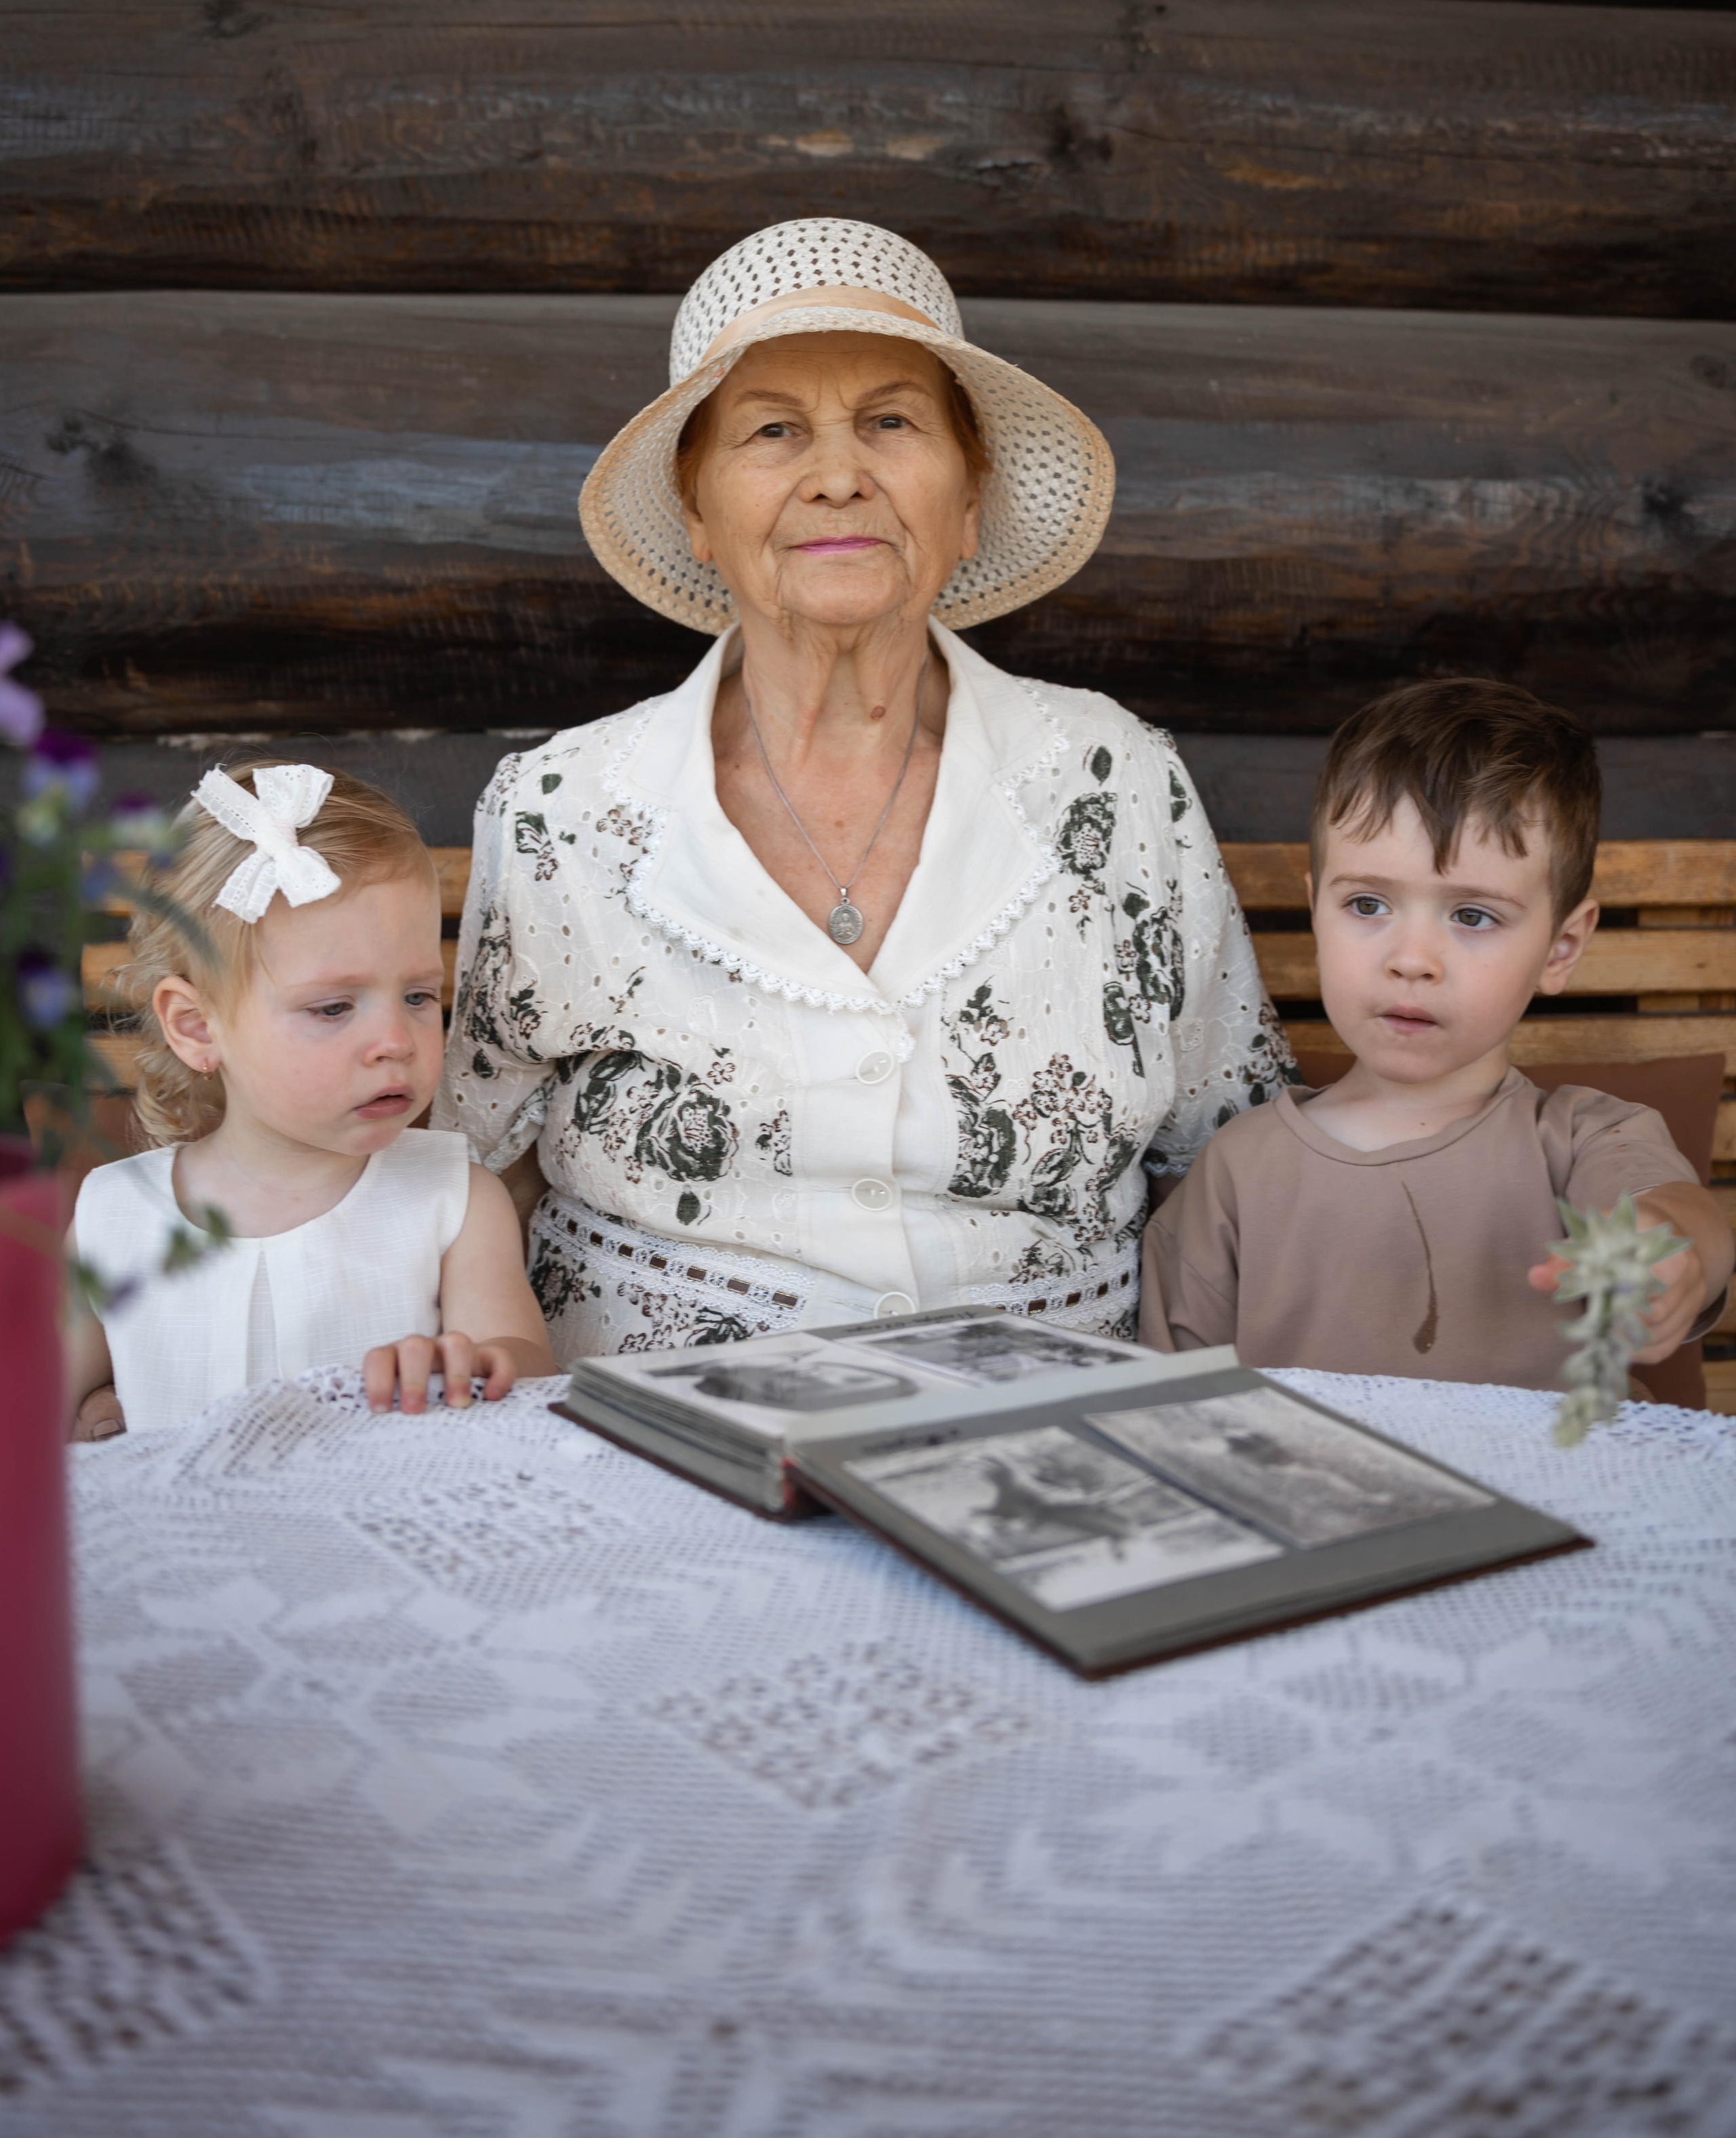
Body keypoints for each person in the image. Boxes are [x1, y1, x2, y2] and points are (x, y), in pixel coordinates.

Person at [435, 218, 1288, 1359]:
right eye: (773, 430)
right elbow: (470, 1169)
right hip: (661, 1421)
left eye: (891, 422)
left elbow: (1230, 1153)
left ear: (969, 496)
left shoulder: (1114, 776)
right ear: (697, 511)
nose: (839, 478)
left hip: (1048, 1417)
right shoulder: (562, 809)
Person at [1141, 679, 1733, 1384]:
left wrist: (1666, 1250)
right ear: (1316, 911)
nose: (1412, 960)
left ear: (1560, 948)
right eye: (1367, 904)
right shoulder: (1237, 1169)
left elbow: (1674, 1210)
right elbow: (1170, 1401)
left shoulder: (1584, 1140)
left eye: (1472, 916)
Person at [68, 764, 554, 1439]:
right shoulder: (116, 1216)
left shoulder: (454, 1200)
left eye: (418, 995)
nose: (396, 1041)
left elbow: (528, 1369)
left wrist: (472, 1365)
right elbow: (33, 1402)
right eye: (332, 1007)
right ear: (197, 1026)